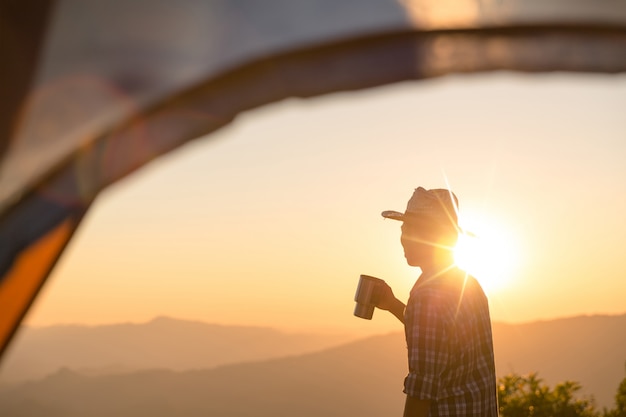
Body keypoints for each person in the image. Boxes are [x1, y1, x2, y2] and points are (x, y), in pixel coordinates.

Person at [375, 187, 498, 417]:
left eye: (415, 230)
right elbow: (441, 340)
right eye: (404, 229)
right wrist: (392, 304)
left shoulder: (427, 295)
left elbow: (422, 389)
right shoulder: (467, 283)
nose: (404, 239)